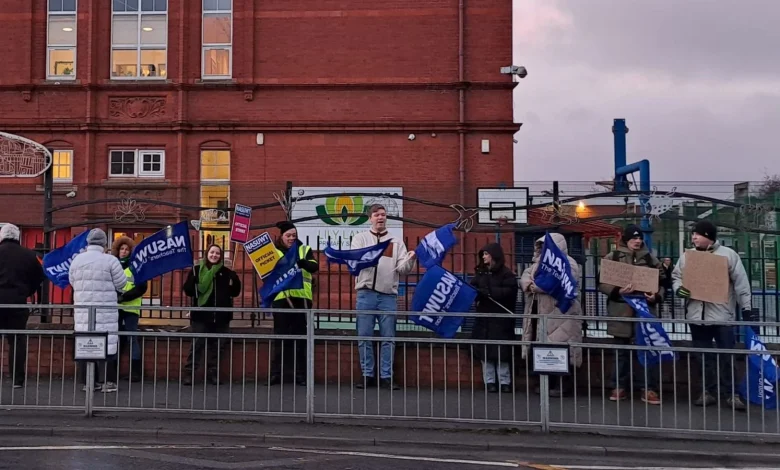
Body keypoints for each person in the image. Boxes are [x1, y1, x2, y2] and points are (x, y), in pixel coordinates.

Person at [672, 221, 750, 410]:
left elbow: (741, 282)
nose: (694, 237)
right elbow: (677, 277)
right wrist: (679, 290)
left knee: (727, 357)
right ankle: (707, 392)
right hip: (697, 316)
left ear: (709, 236)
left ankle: (731, 393)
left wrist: (747, 307)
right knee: (703, 357)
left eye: (698, 234)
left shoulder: (728, 255)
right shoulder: (687, 257)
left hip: (722, 316)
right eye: (693, 234)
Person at [598, 224, 666, 405]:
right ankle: (619, 386)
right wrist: (617, 291)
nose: (637, 241)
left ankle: (648, 388)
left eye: (639, 238)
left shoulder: (651, 259)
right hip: (621, 312)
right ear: (625, 240)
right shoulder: (613, 257)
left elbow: (662, 282)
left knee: (647, 350)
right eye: (633, 238)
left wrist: (656, 296)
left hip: (644, 312)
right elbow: (602, 283)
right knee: (621, 352)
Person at [352, 204, 416, 390]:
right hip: (365, 294)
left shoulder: (396, 241)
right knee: (364, 337)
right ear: (369, 218)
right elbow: (355, 262)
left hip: (388, 296)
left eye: (383, 215)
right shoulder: (360, 238)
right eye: (376, 215)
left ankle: (386, 376)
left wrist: (410, 259)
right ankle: (367, 374)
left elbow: (403, 269)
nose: (380, 217)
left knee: (388, 338)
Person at [520, 234, 583, 396]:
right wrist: (529, 285)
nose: (542, 249)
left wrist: (539, 287)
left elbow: (564, 281)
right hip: (539, 314)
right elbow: (525, 276)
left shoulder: (569, 263)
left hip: (561, 315)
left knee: (562, 349)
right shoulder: (536, 264)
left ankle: (562, 386)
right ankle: (544, 383)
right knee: (542, 349)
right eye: (540, 246)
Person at [69, 228, 127, 393]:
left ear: (88, 242)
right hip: (105, 310)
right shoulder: (110, 260)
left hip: (83, 311)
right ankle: (107, 381)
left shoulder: (77, 260)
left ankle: (87, 382)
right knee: (107, 344)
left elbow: (72, 282)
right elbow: (122, 284)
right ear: (104, 243)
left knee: (85, 343)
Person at [267, 221, 319, 387]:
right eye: (288, 235)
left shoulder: (304, 250)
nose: (291, 238)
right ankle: (276, 374)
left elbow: (314, 266)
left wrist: (304, 263)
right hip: (281, 300)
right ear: (281, 236)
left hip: (301, 300)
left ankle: (300, 375)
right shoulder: (273, 252)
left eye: (293, 236)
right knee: (280, 338)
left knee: (300, 340)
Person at [182, 244, 241, 386]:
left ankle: (212, 374)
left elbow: (234, 293)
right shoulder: (197, 270)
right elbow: (189, 291)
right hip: (201, 316)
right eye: (212, 252)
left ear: (220, 256)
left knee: (217, 348)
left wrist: (236, 280)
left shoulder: (226, 272)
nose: (214, 255)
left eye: (217, 253)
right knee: (197, 345)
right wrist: (192, 282)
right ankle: (189, 374)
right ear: (207, 254)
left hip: (221, 317)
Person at [0, 224, 45, 389]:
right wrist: (26, 291)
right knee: (17, 341)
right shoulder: (29, 255)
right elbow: (39, 277)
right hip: (17, 302)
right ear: (17, 237)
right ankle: (17, 379)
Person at [470, 243, 519, 393]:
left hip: (501, 318)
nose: (483, 257)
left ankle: (505, 381)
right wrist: (479, 292)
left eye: (486, 254)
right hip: (484, 318)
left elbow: (510, 292)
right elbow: (473, 289)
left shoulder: (506, 274)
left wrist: (490, 292)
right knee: (486, 352)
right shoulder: (481, 273)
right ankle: (489, 381)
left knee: (502, 352)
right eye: (483, 254)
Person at [111, 236, 148, 382]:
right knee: (116, 339)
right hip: (116, 308)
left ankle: (135, 373)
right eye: (122, 249)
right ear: (117, 250)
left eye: (127, 249)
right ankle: (113, 372)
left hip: (131, 308)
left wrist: (124, 297)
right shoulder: (113, 265)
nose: (124, 252)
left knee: (132, 339)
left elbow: (141, 287)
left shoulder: (136, 267)